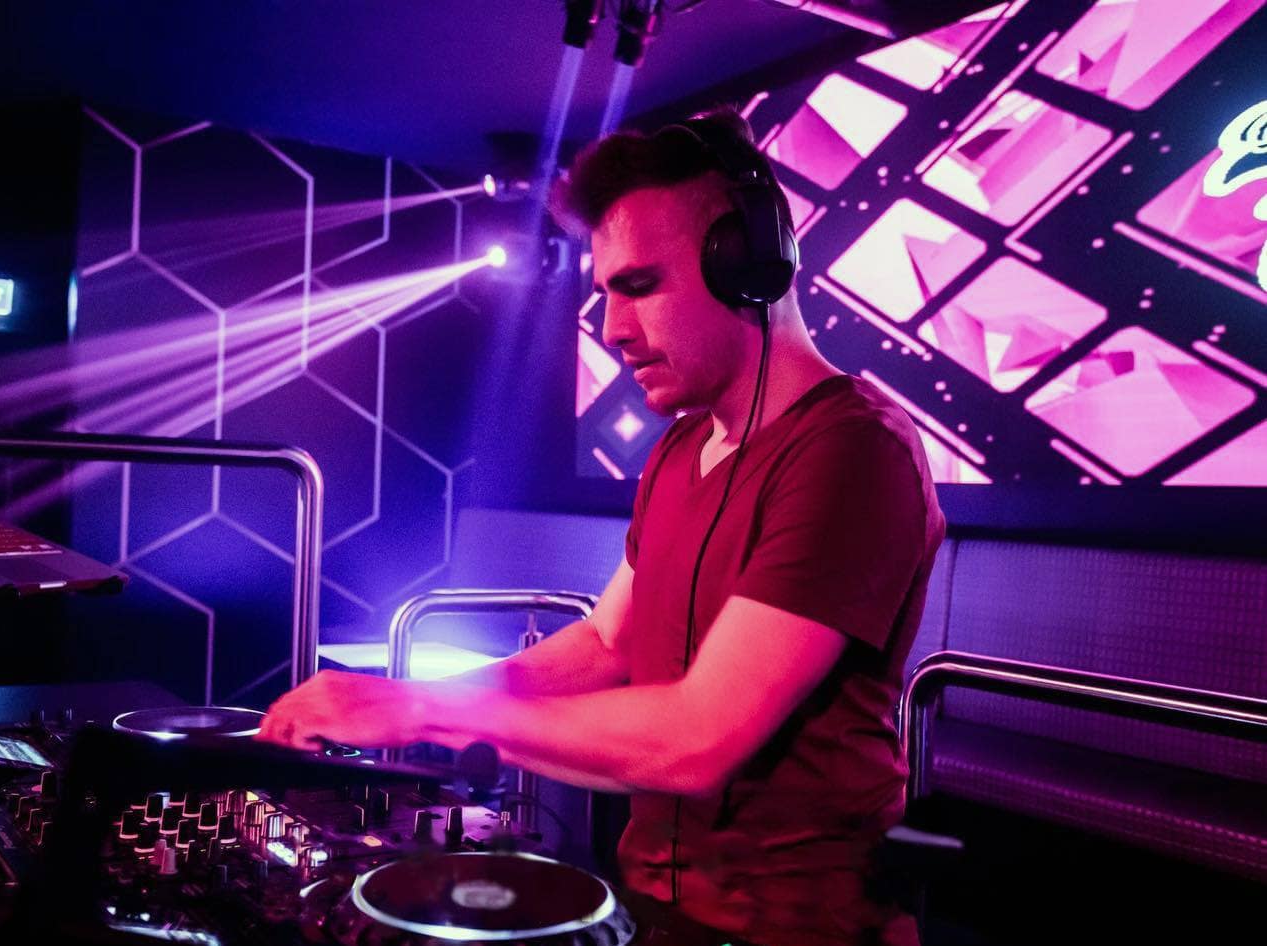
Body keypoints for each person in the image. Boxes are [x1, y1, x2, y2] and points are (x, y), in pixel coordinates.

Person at [257, 108, 945, 946]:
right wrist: (402, 703)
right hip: (657, 909)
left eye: (641, 286)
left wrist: (425, 713)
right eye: (606, 295)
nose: (613, 329)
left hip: (806, 930)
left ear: (748, 265)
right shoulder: (682, 449)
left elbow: (701, 737)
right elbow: (604, 644)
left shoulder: (853, 449)